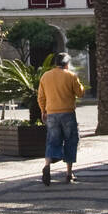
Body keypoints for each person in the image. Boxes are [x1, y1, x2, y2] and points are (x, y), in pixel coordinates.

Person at [38, 53, 85, 185]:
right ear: (67, 64)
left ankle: (47, 165)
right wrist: (78, 82)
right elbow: (80, 93)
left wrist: (43, 111)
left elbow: (41, 97)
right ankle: (69, 173)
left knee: (52, 141)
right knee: (70, 141)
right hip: (68, 113)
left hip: (51, 114)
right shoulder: (70, 76)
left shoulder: (45, 76)